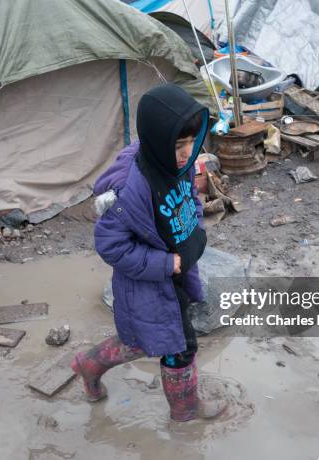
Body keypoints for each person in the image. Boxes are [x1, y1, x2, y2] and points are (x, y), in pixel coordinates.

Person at [71, 83, 227, 422]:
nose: (187, 153)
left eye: (191, 143)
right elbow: (111, 245)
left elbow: (189, 201)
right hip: (149, 281)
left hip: (178, 271)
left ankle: (88, 365)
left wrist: (194, 230)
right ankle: (186, 411)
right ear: (158, 140)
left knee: (141, 341)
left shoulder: (177, 164)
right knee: (180, 346)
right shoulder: (128, 188)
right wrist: (165, 262)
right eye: (178, 145)